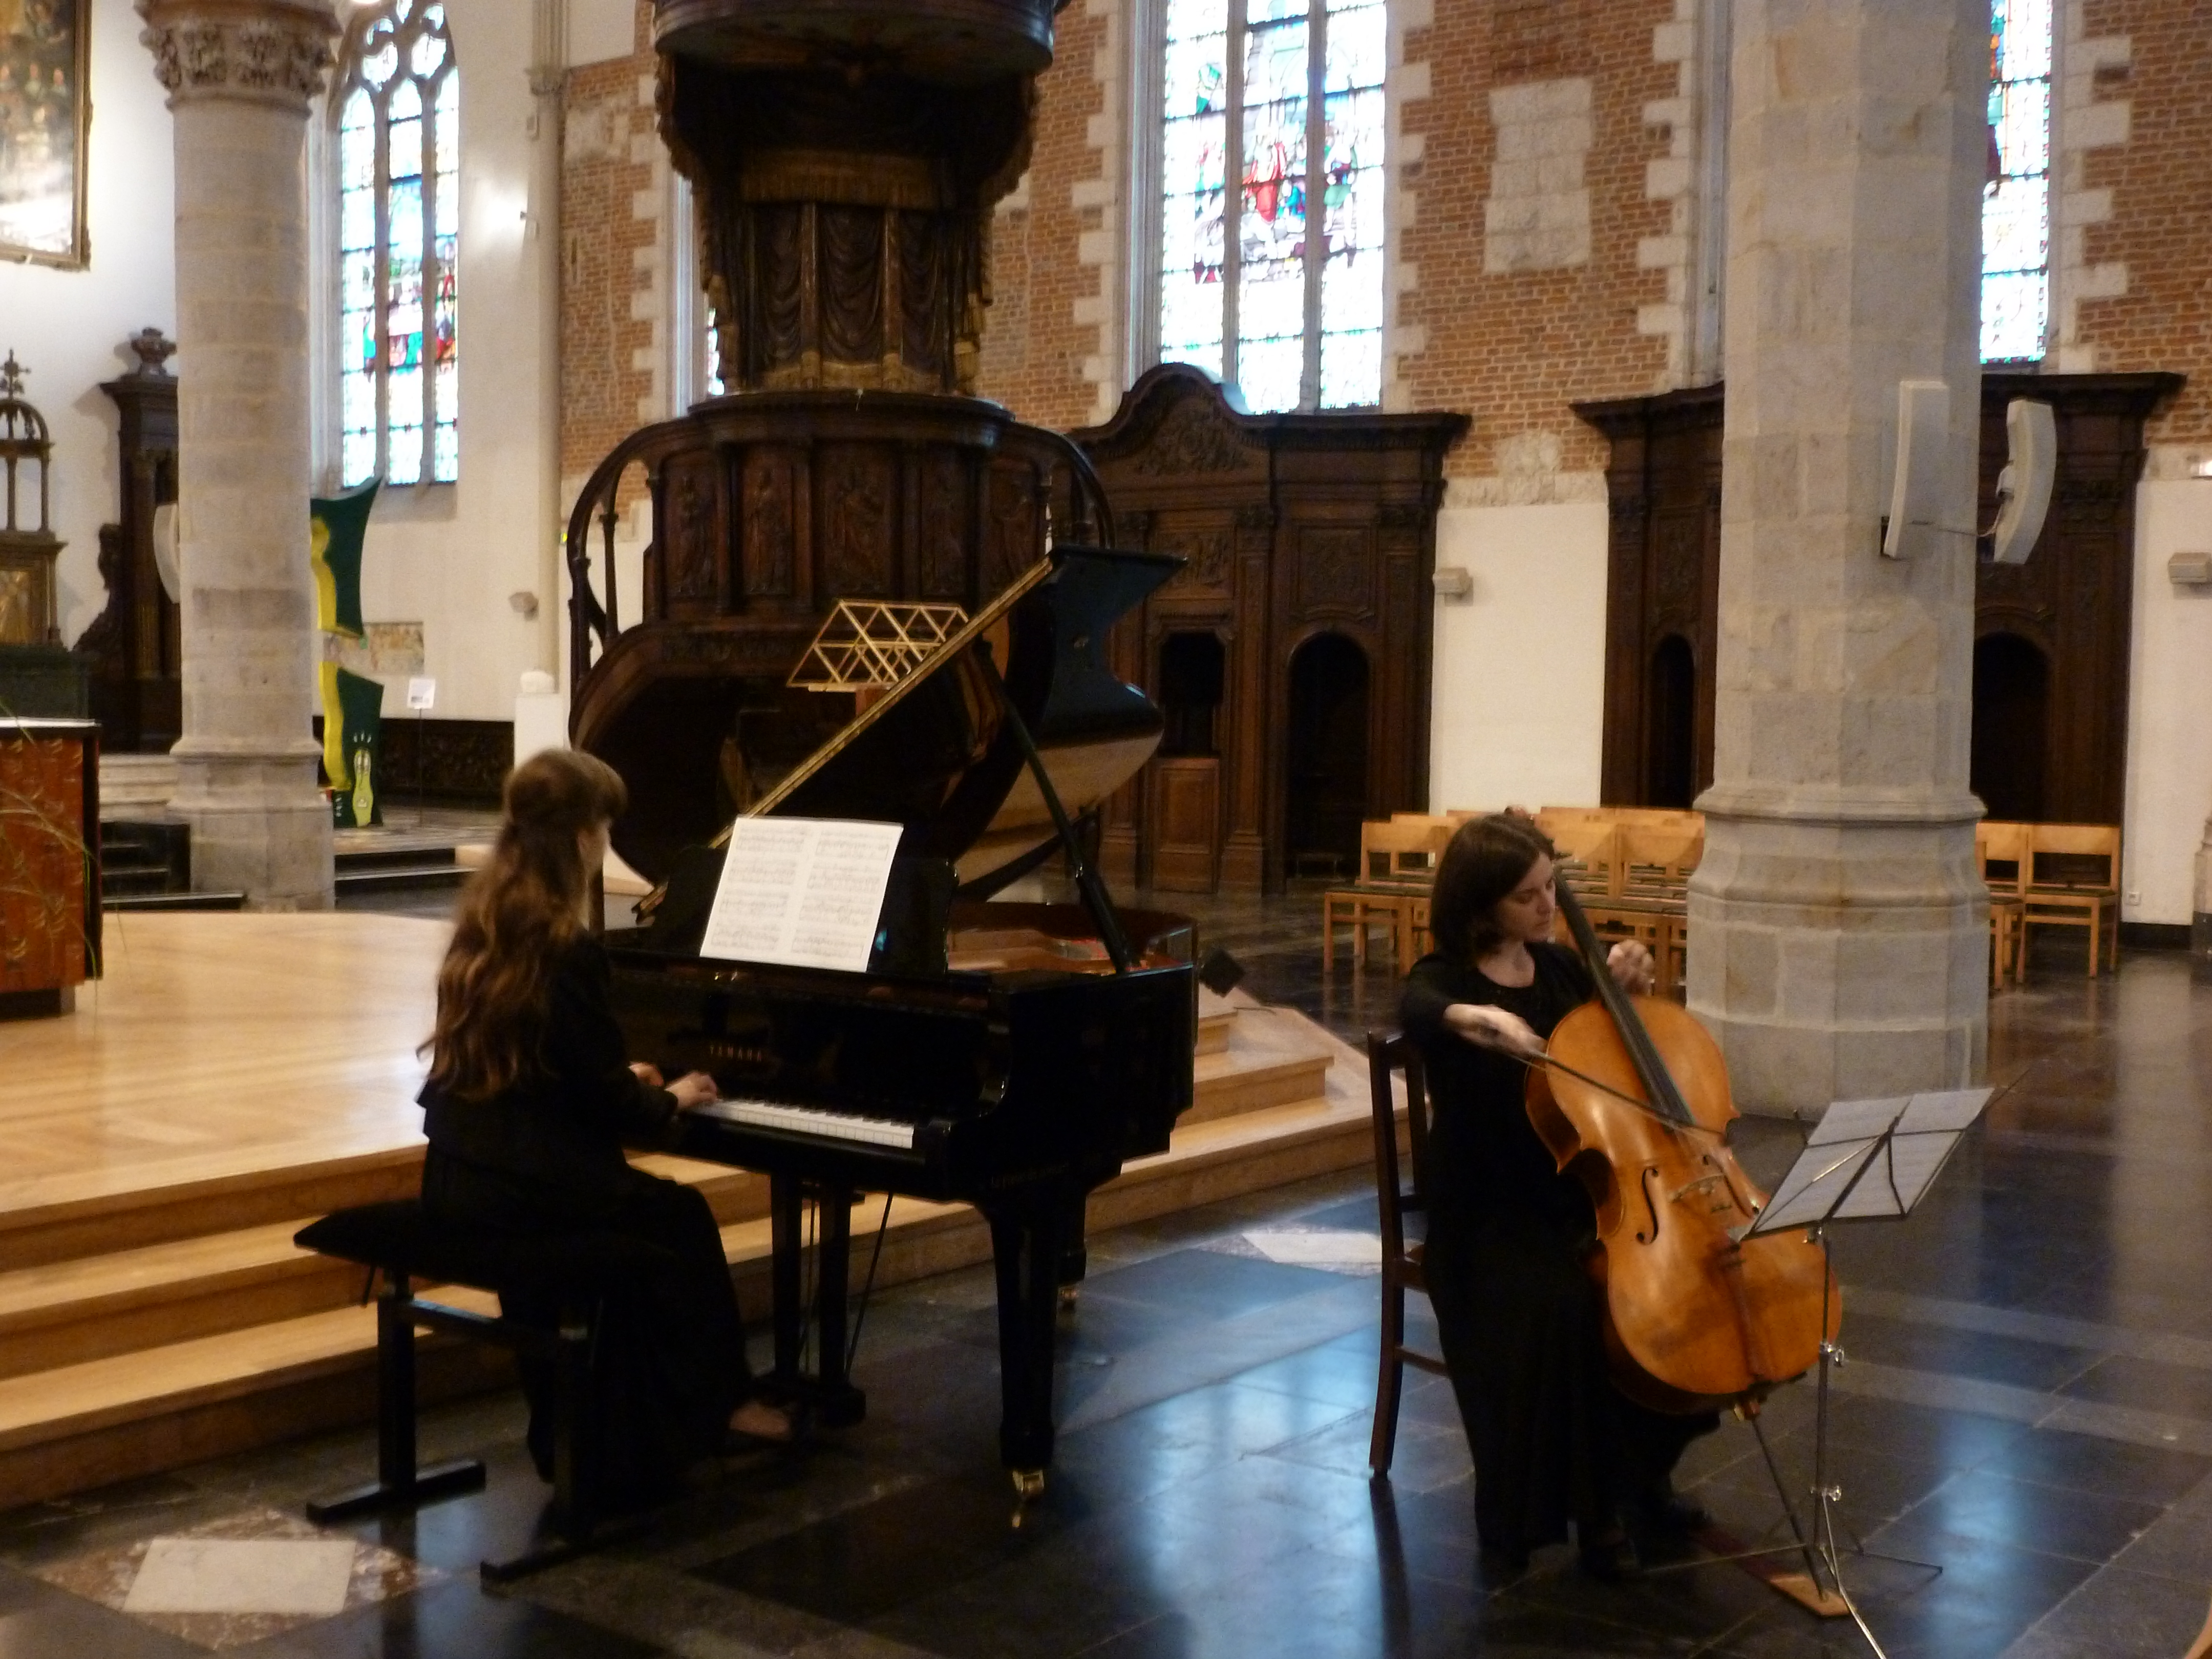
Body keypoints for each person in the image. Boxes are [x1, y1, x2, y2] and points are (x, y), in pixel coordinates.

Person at [417, 748, 791, 1504]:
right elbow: (607, 1105)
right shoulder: (566, 948)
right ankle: (716, 1408)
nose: (605, 842)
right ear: (582, 836)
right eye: (604, 828)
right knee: (681, 1220)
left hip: (462, 1176)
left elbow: (547, 1068)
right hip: (531, 1196)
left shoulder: (484, 923)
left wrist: (623, 1079)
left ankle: (599, 1434)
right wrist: (671, 1097)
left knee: (657, 1218)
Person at [1399, 812, 1717, 1579]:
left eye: (1551, 887)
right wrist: (1475, 1017)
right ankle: (1584, 1514)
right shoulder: (1445, 977)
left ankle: (1640, 1481)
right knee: (1570, 1311)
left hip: (1578, 1195)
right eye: (1527, 896)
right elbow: (1416, 1006)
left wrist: (1627, 985)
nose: (1548, 906)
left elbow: (1612, 1051)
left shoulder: (1564, 969)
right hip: (1490, 1214)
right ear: (1481, 906)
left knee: (1673, 1298)